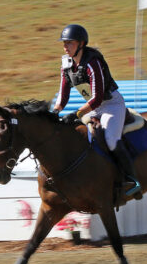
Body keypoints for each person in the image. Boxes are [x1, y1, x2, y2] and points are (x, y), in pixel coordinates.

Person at [52, 24, 141, 197]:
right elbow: (63, 94)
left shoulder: (93, 62)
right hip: (92, 107)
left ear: (81, 44)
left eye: (69, 43)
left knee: (110, 139)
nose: (65, 47)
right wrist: (55, 111)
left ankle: (131, 180)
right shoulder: (66, 64)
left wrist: (77, 113)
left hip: (111, 105)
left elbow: (98, 97)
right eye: (64, 43)